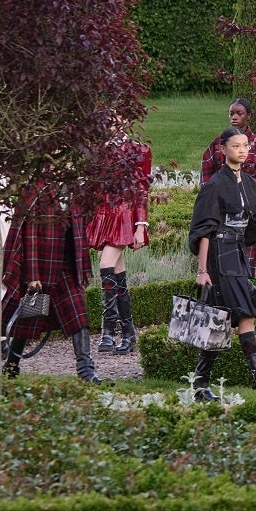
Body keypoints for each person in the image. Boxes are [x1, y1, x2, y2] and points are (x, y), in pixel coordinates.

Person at [188, 126, 256, 402]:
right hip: (219, 256)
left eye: (245, 145)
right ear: (223, 150)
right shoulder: (214, 186)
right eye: (236, 146)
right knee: (246, 312)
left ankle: (199, 386)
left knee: (219, 319)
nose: (242, 150)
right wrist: (202, 270)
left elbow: (255, 228)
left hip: (237, 255)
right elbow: (205, 230)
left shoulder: (250, 184)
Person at [1, 178, 99, 382]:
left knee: (79, 315)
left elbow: (80, 229)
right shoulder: (36, 189)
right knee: (27, 320)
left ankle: (86, 372)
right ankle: (11, 366)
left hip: (67, 268)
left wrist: (82, 269)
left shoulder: (74, 187)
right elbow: (29, 235)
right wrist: (33, 275)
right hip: (42, 267)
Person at [89, 131, 152, 354]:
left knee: (106, 265)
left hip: (124, 216)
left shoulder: (137, 150)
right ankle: (127, 333)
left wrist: (141, 225)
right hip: (104, 214)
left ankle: (108, 330)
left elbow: (141, 189)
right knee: (117, 274)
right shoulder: (97, 149)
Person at [200, 98, 256, 276]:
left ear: (248, 116)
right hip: (222, 220)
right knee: (221, 270)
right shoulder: (219, 144)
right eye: (231, 113)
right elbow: (206, 177)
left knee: (246, 269)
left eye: (239, 113)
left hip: (249, 217)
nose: (234, 117)